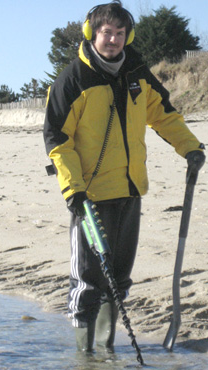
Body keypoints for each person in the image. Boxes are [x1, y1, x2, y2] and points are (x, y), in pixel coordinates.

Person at [43, 0, 205, 354]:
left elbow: (164, 115)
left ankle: (107, 348)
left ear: (127, 36)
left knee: (118, 279)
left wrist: (190, 148)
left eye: (119, 33)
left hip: (130, 191)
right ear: (91, 34)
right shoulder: (72, 79)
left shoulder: (136, 72)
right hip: (89, 197)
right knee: (88, 280)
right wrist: (73, 190)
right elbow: (58, 141)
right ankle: (86, 356)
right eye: (106, 33)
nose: (113, 40)